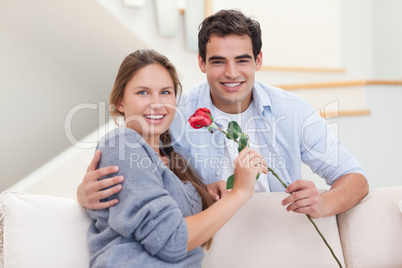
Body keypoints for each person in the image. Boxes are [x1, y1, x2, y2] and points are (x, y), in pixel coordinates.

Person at [78, 10, 369, 219]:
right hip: (211, 239)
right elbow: (137, 178)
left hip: (282, 229)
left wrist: (324, 202)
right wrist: (84, 196)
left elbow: (355, 177)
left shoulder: (291, 111)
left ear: (258, 61)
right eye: (218, 61)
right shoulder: (172, 112)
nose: (231, 73)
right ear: (202, 63)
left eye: (242, 60)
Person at [87, 49, 267, 267]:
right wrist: (240, 192)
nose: (157, 103)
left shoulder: (176, 156)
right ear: (120, 102)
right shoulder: (122, 143)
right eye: (142, 92)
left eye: (165, 92)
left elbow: (170, 210)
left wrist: (203, 193)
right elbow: (171, 241)